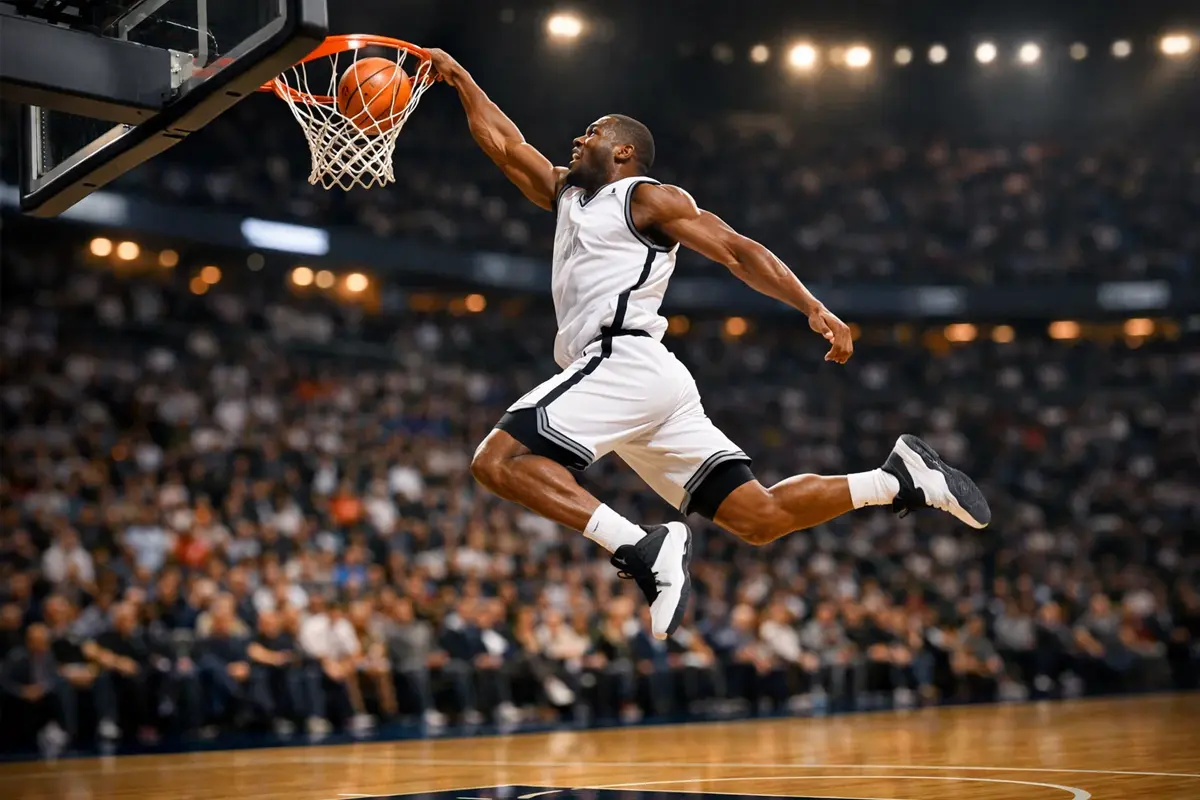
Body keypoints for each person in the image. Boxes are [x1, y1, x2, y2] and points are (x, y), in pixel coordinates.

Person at [427, 49, 992, 641]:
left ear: (623, 152)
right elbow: (506, 145)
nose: (576, 138)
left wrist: (813, 306)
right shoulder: (568, 193)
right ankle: (899, 480)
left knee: (499, 461)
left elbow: (738, 251)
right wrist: (462, 78)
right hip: (644, 383)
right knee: (759, 517)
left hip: (623, 361)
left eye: (591, 133)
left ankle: (642, 548)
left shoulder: (645, 197)